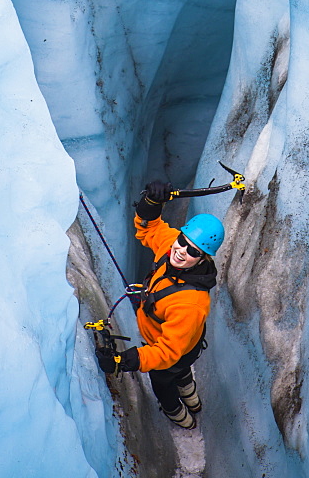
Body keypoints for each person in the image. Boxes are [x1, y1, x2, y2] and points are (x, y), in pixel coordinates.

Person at [95, 180, 225, 429]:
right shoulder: (170, 246)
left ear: (202, 259)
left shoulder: (190, 304)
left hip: (173, 351)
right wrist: (151, 203)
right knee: (182, 369)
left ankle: (182, 417)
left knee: (164, 382)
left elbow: (166, 354)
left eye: (193, 251)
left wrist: (123, 361)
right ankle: (191, 396)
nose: (181, 251)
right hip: (186, 345)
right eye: (183, 241)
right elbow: (149, 229)